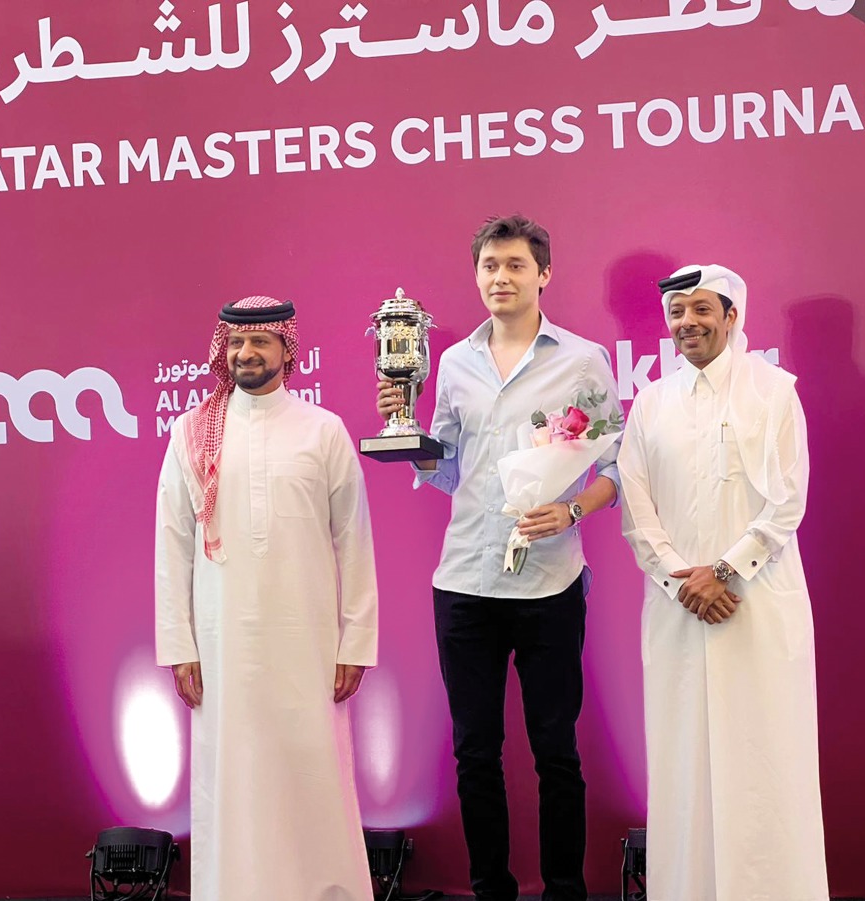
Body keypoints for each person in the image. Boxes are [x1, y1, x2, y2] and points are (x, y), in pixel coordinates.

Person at [377, 215, 620, 901]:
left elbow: (616, 461)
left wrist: (571, 510)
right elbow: (450, 468)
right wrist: (409, 433)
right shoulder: (452, 362)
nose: (500, 278)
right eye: (489, 266)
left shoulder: (582, 358)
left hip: (550, 581)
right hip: (465, 580)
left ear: (544, 273)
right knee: (474, 752)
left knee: (556, 752)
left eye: (515, 265)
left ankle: (565, 887)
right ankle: (491, 888)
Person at [156, 296, 378, 901]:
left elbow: (353, 541)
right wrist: (180, 645)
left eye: (260, 342)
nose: (247, 353)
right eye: (236, 344)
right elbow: (172, 544)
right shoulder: (192, 432)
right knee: (233, 779)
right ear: (223, 352)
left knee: (312, 776)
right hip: (222, 644)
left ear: (287, 349)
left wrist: (355, 642)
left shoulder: (321, 429)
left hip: (306, 642)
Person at [617, 265, 828, 901]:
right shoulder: (652, 401)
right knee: (685, 760)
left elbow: (787, 500)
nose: (688, 323)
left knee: (764, 757)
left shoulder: (773, 391)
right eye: (677, 311)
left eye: (702, 310)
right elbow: (634, 501)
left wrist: (726, 569)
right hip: (679, 605)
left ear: (732, 316)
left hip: (757, 606)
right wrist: (678, 578)